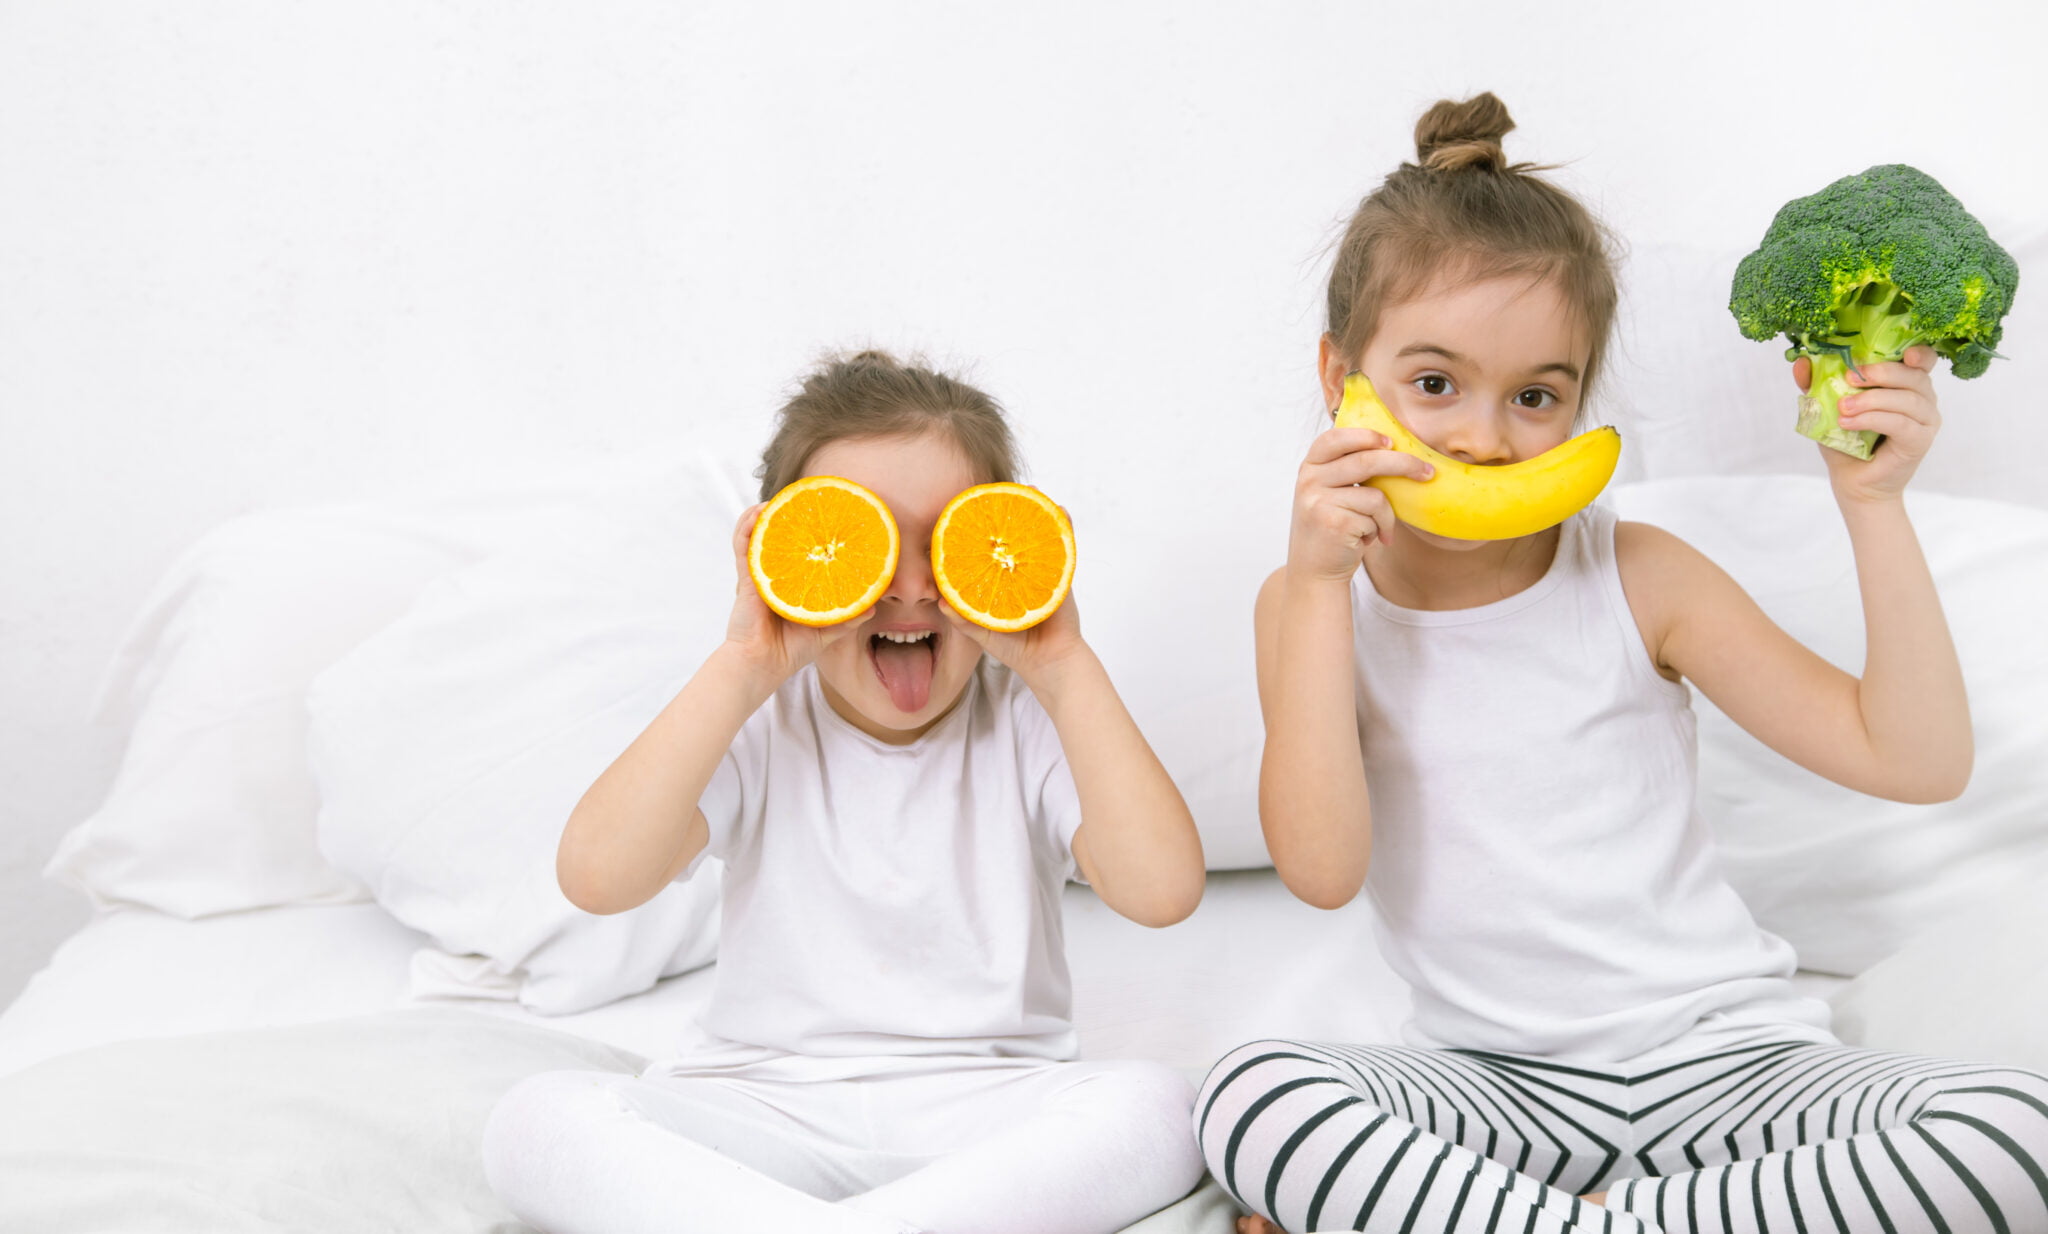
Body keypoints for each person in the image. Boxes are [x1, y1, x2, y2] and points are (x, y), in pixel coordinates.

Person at [1197, 93, 2048, 1234]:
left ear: (1578, 402)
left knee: (2019, 1129)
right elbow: (1320, 869)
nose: (1482, 436)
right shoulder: (1307, 604)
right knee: (1250, 1099)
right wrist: (1312, 590)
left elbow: (1917, 761)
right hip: (1495, 1090)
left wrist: (1872, 504)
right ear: (1338, 372)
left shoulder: (1638, 574)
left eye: (1534, 396)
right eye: (1434, 383)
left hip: (1730, 1066)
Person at [483, 350, 1208, 1234]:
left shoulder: (1031, 717)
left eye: (945, 542)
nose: (909, 586)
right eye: (864, 543)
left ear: (999, 544)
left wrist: (1063, 663)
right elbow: (598, 877)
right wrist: (743, 663)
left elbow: (1162, 891)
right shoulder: (758, 716)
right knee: (535, 1119)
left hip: (987, 1113)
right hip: (758, 1106)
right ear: (787, 555)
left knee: (1161, 1109)